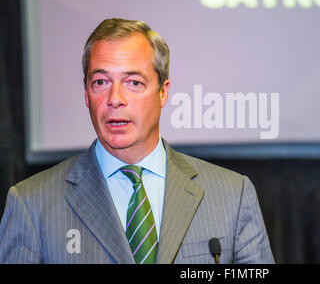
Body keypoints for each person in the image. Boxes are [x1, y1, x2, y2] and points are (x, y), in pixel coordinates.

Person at [0, 18, 274, 264]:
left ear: (163, 92)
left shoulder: (231, 196)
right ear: (86, 94)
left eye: (133, 83)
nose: (115, 98)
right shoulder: (32, 204)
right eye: (100, 82)